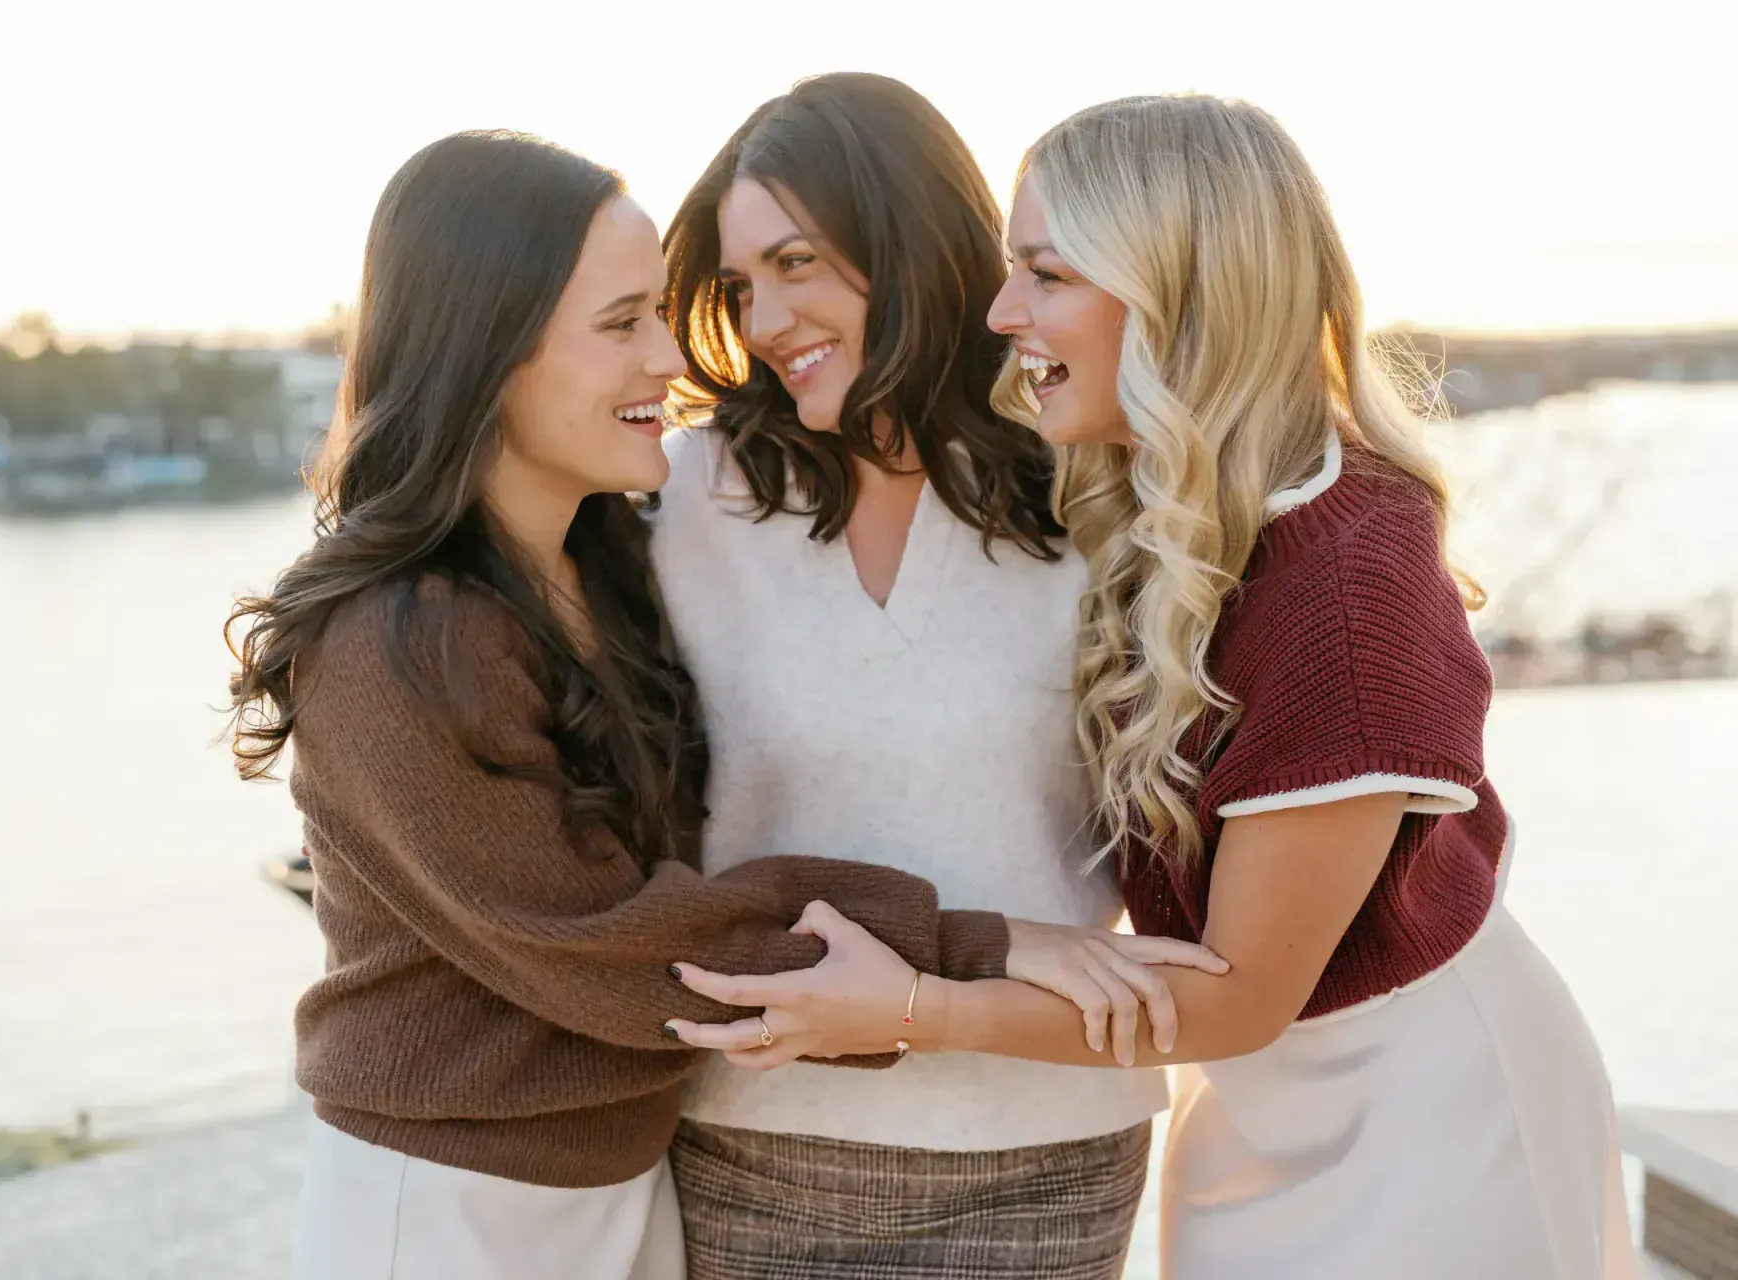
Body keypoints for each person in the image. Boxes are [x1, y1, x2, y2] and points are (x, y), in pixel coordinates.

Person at [677, 94, 1637, 1280]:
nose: (1001, 311)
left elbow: (1241, 995)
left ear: (1182, 288)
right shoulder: (1157, 510)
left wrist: (918, 1005)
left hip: (1427, 1115)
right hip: (1244, 1108)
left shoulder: (1346, 585)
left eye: (1046, 273)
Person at [224, 129, 1049, 1280]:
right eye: (621, 324)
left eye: (660, 312)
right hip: (449, 1209)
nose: (670, 355)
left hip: (623, 1184)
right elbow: (612, 940)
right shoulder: (391, 637)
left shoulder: (607, 576)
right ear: (486, 350)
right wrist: (979, 947)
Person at [651, 73, 1213, 1280]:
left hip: (1050, 1142)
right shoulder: (684, 498)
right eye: (740, 286)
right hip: (755, 1139)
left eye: (796, 262)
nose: (764, 320)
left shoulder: (1090, 489)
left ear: (904, 242)